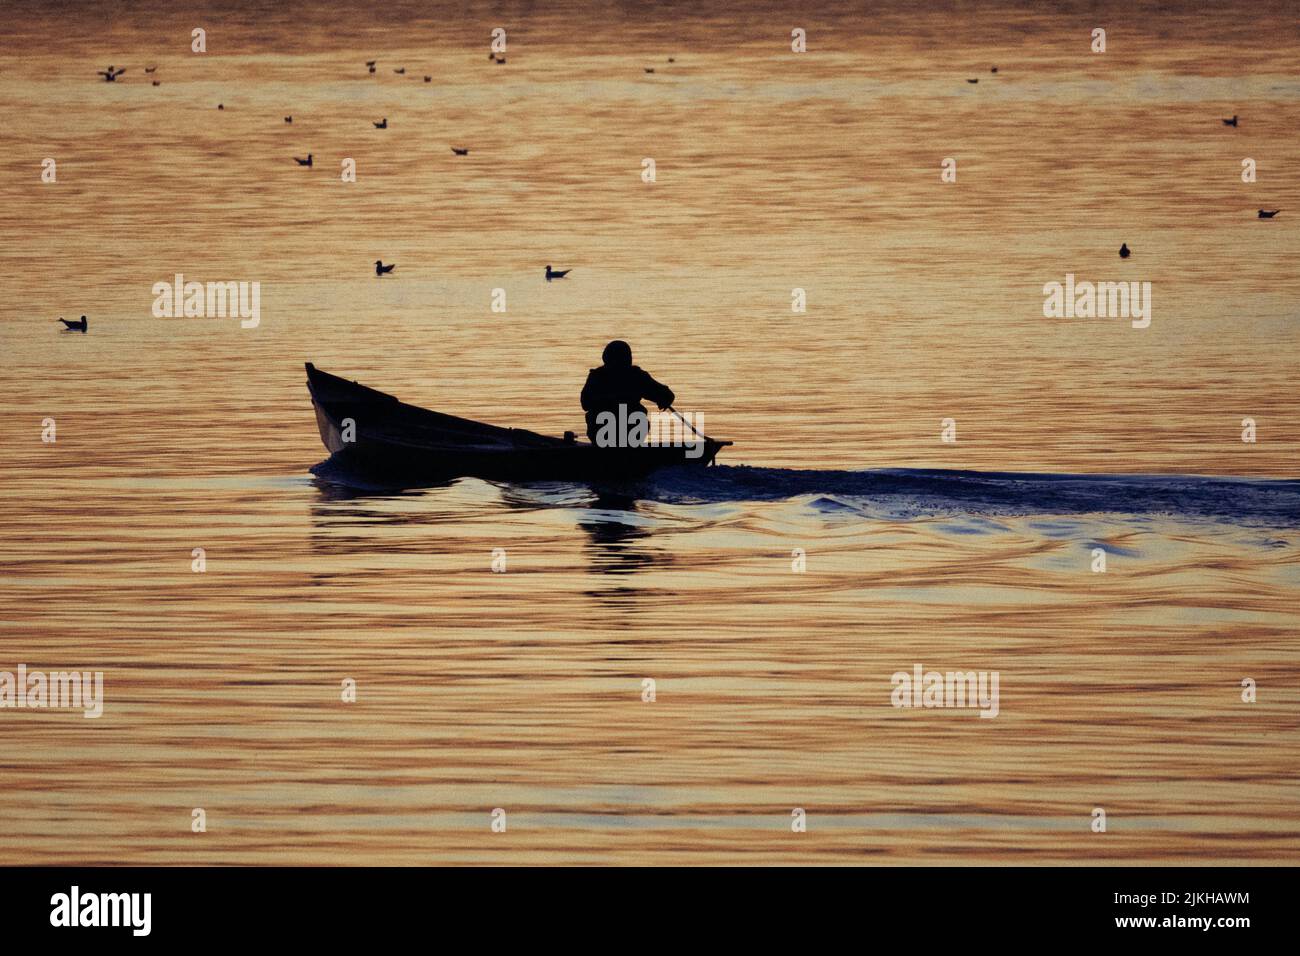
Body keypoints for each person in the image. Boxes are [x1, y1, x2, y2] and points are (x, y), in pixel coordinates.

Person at [580, 341, 674, 447]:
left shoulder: (597, 376)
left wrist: (664, 398)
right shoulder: (637, 376)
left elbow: (585, 403)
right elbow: (667, 395)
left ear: (605, 357)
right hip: (626, 434)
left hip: (605, 434)